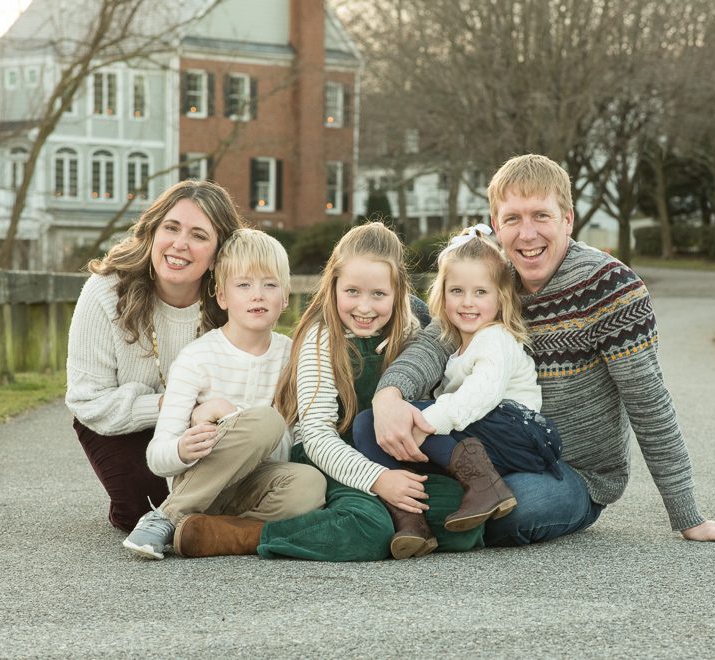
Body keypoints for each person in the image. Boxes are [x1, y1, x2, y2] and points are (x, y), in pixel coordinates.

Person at [372, 154, 715, 546]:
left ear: (567, 218)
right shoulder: (491, 280)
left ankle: (408, 511)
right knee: (377, 427)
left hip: (575, 472)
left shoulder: (611, 288)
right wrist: (389, 395)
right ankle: (418, 507)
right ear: (496, 224)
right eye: (513, 219)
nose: (527, 234)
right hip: (482, 449)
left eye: (540, 216)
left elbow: (648, 401)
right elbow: (433, 343)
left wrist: (688, 515)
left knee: (519, 508)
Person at [171, 222, 484, 561]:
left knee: (462, 522)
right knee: (369, 528)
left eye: (378, 294)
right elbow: (318, 436)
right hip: (331, 456)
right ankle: (242, 534)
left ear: (398, 293)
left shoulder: (409, 334)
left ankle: (382, 520)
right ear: (333, 286)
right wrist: (378, 480)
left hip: (391, 457)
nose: (364, 307)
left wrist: (393, 476)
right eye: (352, 292)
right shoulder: (320, 339)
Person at [121, 229, 327, 559]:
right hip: (200, 482)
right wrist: (182, 448)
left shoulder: (294, 357)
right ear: (222, 296)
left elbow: (290, 443)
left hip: (253, 485)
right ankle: (168, 516)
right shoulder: (196, 358)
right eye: (243, 285)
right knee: (264, 420)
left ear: (285, 296)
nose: (257, 295)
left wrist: (233, 415)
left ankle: (210, 532)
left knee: (310, 485)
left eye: (270, 285)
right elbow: (157, 456)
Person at [353, 223, 562, 539]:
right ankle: (409, 517)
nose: (467, 302)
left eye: (481, 292)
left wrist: (425, 421)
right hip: (481, 438)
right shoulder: (457, 345)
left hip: (517, 434)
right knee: (368, 424)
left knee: (407, 417)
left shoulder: (496, 339)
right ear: (442, 293)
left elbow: (479, 395)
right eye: (457, 291)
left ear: (502, 297)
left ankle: (485, 487)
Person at [66, 180, 242, 533]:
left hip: (203, 426)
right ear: (153, 231)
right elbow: (87, 401)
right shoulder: (105, 292)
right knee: (143, 513)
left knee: (214, 507)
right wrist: (169, 405)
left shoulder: (230, 300)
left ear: (218, 253)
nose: (180, 245)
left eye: (199, 235)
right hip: (120, 425)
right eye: (171, 228)